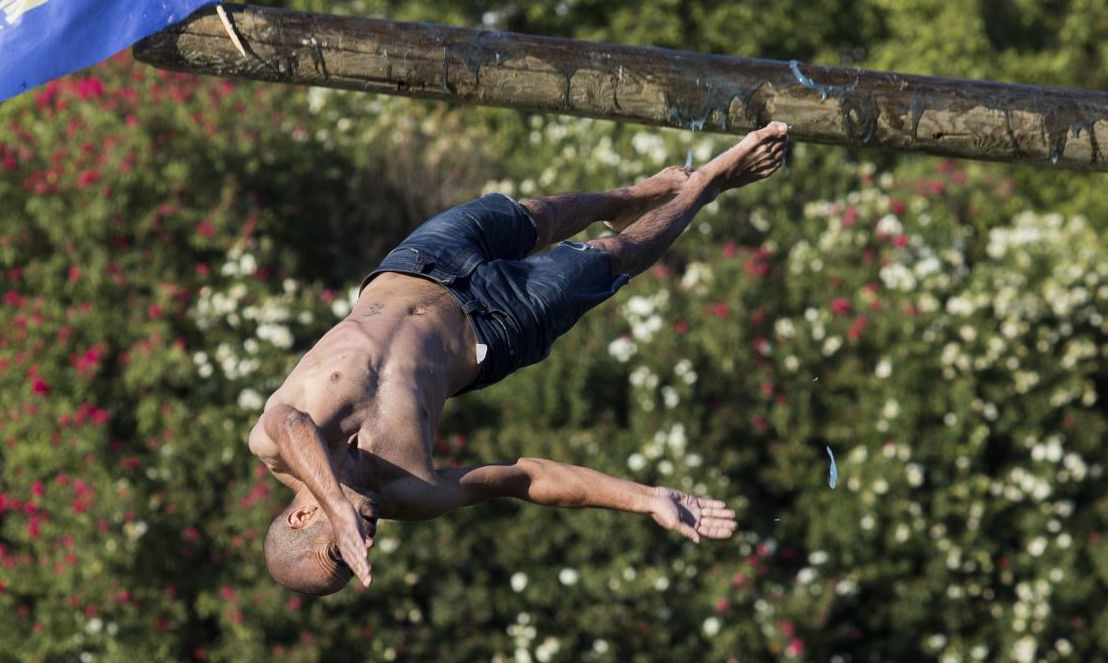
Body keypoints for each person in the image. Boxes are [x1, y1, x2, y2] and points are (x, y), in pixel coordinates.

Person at [249, 122, 791, 595]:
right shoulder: (412, 494)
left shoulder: (276, 444)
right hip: (496, 328)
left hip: (416, 267)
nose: (364, 542)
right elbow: (523, 478)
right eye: (356, 557)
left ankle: (626, 196)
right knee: (611, 258)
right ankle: (707, 184)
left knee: (535, 216)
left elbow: (291, 421)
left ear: (302, 514)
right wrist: (645, 498)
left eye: (341, 550)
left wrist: (340, 509)